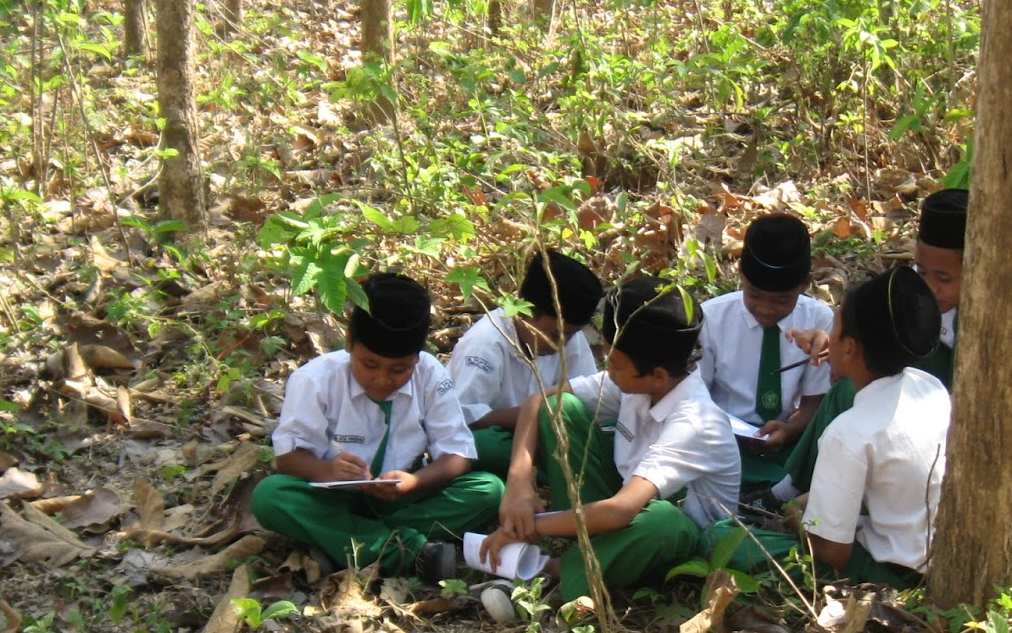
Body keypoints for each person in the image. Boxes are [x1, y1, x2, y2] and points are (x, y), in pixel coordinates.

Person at [481, 276, 741, 603]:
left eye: (615, 365)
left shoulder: (696, 422)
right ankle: (582, 548)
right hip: (620, 510)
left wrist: (529, 524)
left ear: (658, 375)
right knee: (561, 409)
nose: (609, 371)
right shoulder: (638, 381)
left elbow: (620, 511)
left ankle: (552, 571)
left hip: (674, 545)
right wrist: (519, 483)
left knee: (666, 521)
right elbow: (539, 403)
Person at [251, 273, 504, 583]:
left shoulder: (430, 375)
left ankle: (344, 541)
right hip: (335, 498)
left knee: (489, 491)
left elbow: (457, 454)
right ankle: (406, 550)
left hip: (405, 499)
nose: (383, 380)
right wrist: (328, 470)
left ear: (417, 357)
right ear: (348, 343)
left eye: (400, 369)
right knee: (270, 496)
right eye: (369, 365)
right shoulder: (315, 380)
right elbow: (287, 460)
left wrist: (414, 481)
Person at [707, 266, 948, 589]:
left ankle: (777, 505)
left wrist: (797, 519)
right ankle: (786, 495)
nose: (825, 337)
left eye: (834, 327)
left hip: (889, 572)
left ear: (849, 348)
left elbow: (832, 552)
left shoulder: (848, 433)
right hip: (932, 552)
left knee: (721, 539)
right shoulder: (928, 385)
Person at [762, 187, 968, 507]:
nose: (930, 286)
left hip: (931, 426)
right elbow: (877, 335)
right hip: (891, 394)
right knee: (846, 390)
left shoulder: (980, 328)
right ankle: (792, 488)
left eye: (943, 277)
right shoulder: (907, 293)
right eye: (922, 271)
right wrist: (837, 346)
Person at [697, 213, 834, 486]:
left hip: (786, 444)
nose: (765, 309)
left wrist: (791, 429)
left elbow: (813, 404)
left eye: (781, 301)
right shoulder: (712, 318)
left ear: (805, 285)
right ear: (741, 275)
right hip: (721, 440)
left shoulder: (819, 321)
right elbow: (695, 396)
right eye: (754, 295)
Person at [447, 250, 605, 477]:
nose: (563, 344)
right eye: (555, 334)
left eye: (570, 336)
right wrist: (539, 413)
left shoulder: (569, 337)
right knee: (486, 446)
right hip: (503, 440)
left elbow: (588, 400)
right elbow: (466, 417)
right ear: (526, 313)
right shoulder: (485, 343)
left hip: (547, 440)